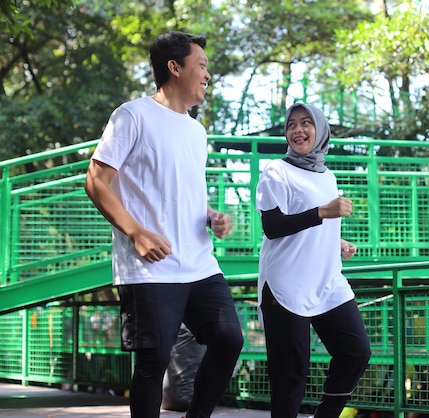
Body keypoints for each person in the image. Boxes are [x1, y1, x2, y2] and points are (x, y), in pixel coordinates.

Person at [84, 31, 243, 418]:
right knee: (153, 361)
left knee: (229, 338)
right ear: (175, 68)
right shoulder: (132, 115)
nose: (208, 74)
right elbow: (94, 180)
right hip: (149, 267)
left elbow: (182, 190)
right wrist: (136, 232)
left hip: (199, 262)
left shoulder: (196, 130)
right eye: (201, 65)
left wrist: (210, 216)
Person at [255, 102, 371, 418]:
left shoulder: (327, 176)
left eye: (306, 123)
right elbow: (274, 226)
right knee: (290, 376)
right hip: (285, 285)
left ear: (320, 130)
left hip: (327, 281)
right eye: (291, 124)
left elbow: (314, 228)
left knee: (355, 352)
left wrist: (337, 242)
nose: (298, 130)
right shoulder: (276, 170)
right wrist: (322, 212)